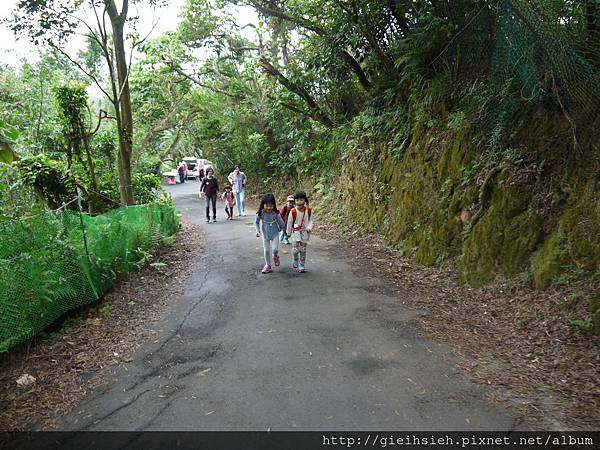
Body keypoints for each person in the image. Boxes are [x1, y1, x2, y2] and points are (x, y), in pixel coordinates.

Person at [255, 193, 285, 274]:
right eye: (267, 206)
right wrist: (257, 231)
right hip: (265, 234)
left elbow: (281, 223)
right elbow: (256, 222)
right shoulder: (261, 213)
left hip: (275, 233)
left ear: (274, 205)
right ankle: (268, 265)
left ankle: (275, 257)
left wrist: (284, 231)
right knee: (266, 250)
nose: (269, 208)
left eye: (271, 206)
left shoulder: (275, 213)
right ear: (263, 204)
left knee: (275, 249)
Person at [285, 191, 313, 273]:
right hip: (295, 232)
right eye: (297, 200)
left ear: (305, 200)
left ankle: (302, 265)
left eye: (301, 200)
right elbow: (289, 223)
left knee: (303, 250)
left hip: (304, 232)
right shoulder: (293, 211)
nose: (299, 202)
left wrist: (309, 227)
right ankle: (295, 259)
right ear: (295, 201)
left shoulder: (309, 210)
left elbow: (311, 220)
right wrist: (288, 233)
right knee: (295, 249)